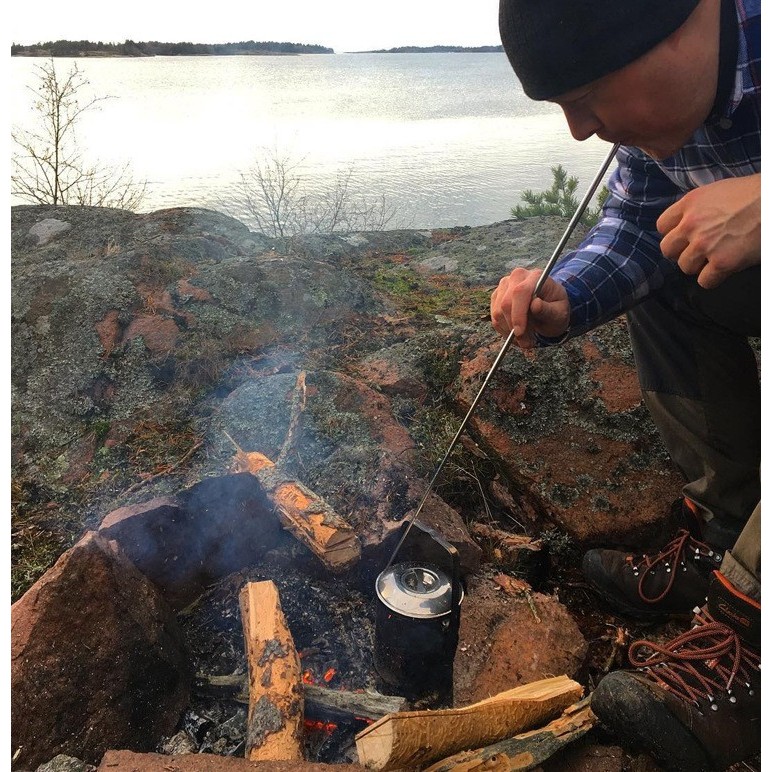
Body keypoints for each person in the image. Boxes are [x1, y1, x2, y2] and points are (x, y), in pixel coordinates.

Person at [492, 0, 760, 768]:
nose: (579, 131)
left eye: (586, 96)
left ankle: (754, 641)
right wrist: (567, 296)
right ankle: (727, 537)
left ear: (686, 23)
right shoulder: (665, 121)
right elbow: (640, 220)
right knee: (675, 264)